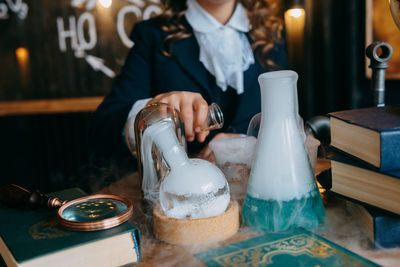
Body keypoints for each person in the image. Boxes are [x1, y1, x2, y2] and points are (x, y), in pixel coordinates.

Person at [91, 0, 287, 161]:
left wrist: (250, 142)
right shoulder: (151, 35)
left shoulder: (272, 37)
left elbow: (288, 122)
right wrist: (153, 110)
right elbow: (106, 124)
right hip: (178, 193)